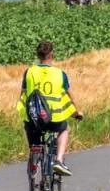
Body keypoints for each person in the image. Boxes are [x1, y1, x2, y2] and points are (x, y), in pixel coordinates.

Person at [18, 40, 82, 183]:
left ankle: (32, 179)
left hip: (33, 118)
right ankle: (58, 161)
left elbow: (23, 94)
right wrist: (77, 112)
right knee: (64, 128)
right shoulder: (60, 74)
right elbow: (70, 96)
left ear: (38, 55)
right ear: (52, 54)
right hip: (54, 119)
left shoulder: (29, 72)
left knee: (34, 144)